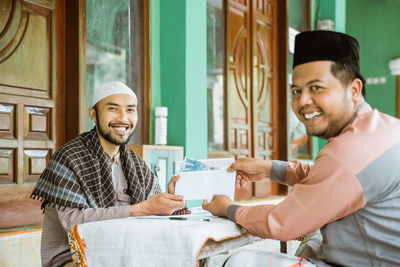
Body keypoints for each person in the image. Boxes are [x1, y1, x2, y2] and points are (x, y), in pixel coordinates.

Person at [203, 30, 400, 266]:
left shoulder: (348, 151)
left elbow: (282, 222)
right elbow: (327, 179)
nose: (303, 101)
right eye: (296, 91)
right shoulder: (382, 129)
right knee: (312, 240)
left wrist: (228, 208)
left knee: (242, 262)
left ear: (354, 90)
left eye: (316, 88)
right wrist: (269, 168)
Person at [31, 81, 188, 267]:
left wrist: (171, 200)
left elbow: (154, 211)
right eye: (113, 109)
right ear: (93, 115)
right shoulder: (69, 157)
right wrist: (138, 210)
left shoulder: (137, 164)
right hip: (73, 259)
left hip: (126, 254)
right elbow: (73, 221)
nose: (123, 118)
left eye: (130, 110)